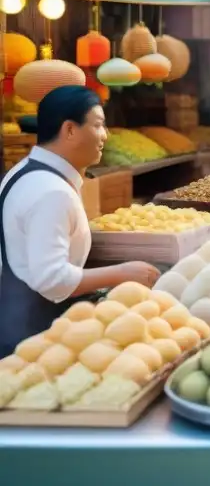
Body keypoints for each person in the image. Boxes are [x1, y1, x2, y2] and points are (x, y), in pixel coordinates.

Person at [0, 87, 160, 357]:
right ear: (70, 130)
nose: (105, 136)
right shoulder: (51, 191)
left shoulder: (22, 172)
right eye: (98, 125)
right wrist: (123, 273)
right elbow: (51, 278)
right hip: (33, 338)